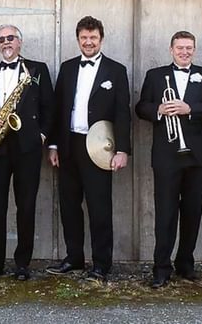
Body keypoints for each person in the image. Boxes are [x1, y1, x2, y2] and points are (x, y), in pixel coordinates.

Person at [46, 16, 132, 283]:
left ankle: (101, 264)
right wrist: (53, 144)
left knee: (99, 207)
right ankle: (74, 258)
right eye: (84, 37)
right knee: (69, 205)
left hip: (100, 148)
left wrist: (123, 150)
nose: (89, 42)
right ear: (78, 39)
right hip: (70, 144)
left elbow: (122, 114)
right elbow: (58, 109)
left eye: (93, 37)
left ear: (101, 39)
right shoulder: (68, 67)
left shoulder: (116, 71)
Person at [135, 31, 202, 288]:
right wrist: (158, 110)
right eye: (180, 48)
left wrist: (191, 109)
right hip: (166, 156)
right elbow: (141, 107)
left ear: (194, 50)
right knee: (165, 213)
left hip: (198, 157)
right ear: (171, 49)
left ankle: (186, 264)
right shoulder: (155, 75)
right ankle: (161, 267)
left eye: (189, 48)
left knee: (193, 213)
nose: (184, 52)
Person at [0, 24, 54, 281]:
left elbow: (49, 107)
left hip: (27, 147)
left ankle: (22, 264)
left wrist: (41, 136)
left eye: (10, 38)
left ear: (19, 42)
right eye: (1, 39)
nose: (6, 42)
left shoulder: (37, 70)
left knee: (26, 206)